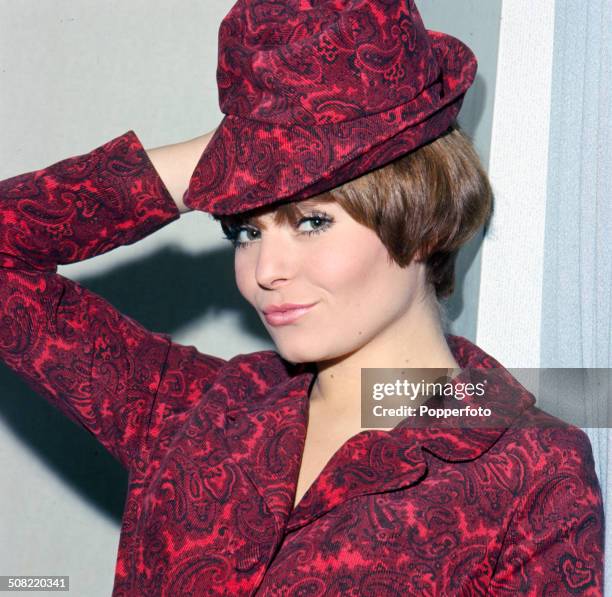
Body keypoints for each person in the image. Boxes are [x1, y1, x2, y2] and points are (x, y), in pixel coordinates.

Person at [0, 0, 604, 595]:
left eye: (312, 221)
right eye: (245, 231)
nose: (264, 270)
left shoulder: (532, 473)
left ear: (422, 214)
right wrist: (217, 161)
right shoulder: (191, 410)